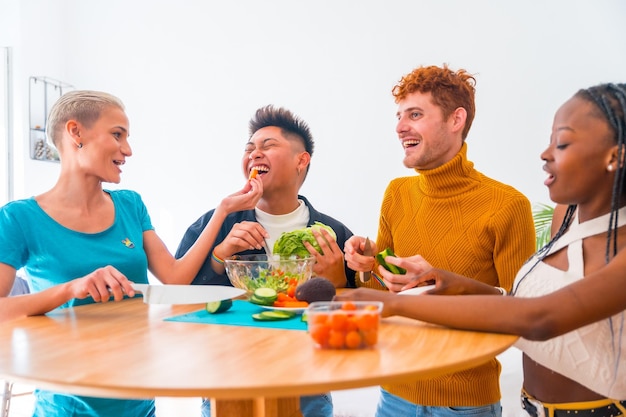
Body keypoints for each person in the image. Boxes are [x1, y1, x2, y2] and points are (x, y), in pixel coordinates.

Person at [338, 83, 626, 416]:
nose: (545, 154)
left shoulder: (506, 205)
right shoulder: (567, 216)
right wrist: (451, 284)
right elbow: (515, 303)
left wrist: (394, 305)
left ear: (615, 156)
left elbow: (540, 318)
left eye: (561, 142)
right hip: (531, 407)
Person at [0, 90, 263, 417]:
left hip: (138, 401)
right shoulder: (18, 218)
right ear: (75, 132)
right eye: (117, 135)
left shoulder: (130, 205)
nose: (128, 150)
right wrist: (71, 288)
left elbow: (175, 278)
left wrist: (222, 210)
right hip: (66, 406)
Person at [343, 65, 536, 417]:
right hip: (393, 394)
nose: (401, 127)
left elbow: (521, 316)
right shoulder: (396, 193)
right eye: (399, 116)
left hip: (464, 403)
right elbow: (388, 296)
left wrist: (439, 280)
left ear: (455, 119)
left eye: (415, 114)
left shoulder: (508, 206)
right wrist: (369, 263)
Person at [175, 104, 356, 417]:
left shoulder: (334, 233)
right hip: (226, 381)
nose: (254, 154)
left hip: (308, 384)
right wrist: (219, 257)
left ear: (302, 160)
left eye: (268, 146)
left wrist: (339, 279)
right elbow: (178, 296)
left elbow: (357, 310)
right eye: (249, 148)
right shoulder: (214, 225)